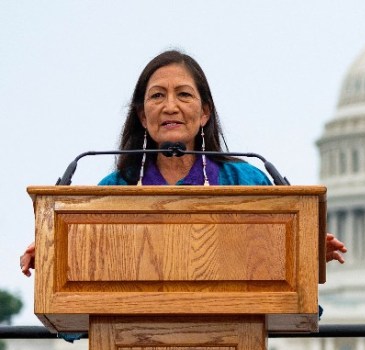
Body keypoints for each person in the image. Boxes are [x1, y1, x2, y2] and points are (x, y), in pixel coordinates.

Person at [20, 50, 346, 276]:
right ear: (142, 116)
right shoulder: (115, 190)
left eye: (184, 95)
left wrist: (305, 251)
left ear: (204, 113)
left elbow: (275, 261)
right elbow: (87, 263)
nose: (170, 106)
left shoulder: (246, 182)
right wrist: (55, 252)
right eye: (158, 95)